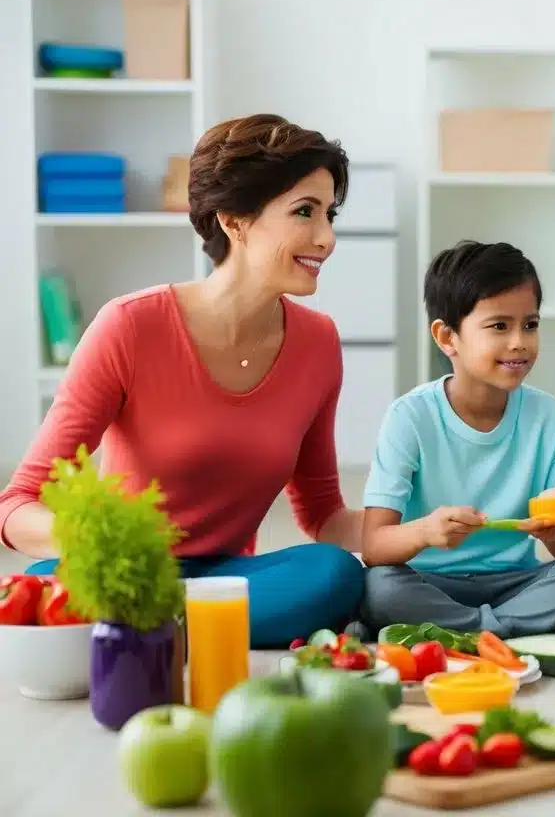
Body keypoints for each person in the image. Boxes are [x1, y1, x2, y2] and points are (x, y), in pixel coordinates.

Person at [0, 114, 366, 648]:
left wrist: (420, 531)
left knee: (334, 574)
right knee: (39, 583)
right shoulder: (130, 325)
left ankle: (142, 630)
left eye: (329, 214)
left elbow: (323, 515)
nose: (327, 238)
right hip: (129, 572)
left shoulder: (318, 342)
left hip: (228, 581)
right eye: (304, 213)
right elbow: (18, 504)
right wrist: (101, 543)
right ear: (234, 220)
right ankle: (190, 629)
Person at [359, 240, 555, 637]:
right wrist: (426, 532)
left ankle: (475, 633)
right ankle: (511, 633)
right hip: (429, 582)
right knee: (379, 587)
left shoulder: (549, 416)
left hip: (517, 582)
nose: (519, 341)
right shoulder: (409, 417)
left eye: (530, 325)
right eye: (500, 326)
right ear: (447, 338)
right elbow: (375, 544)